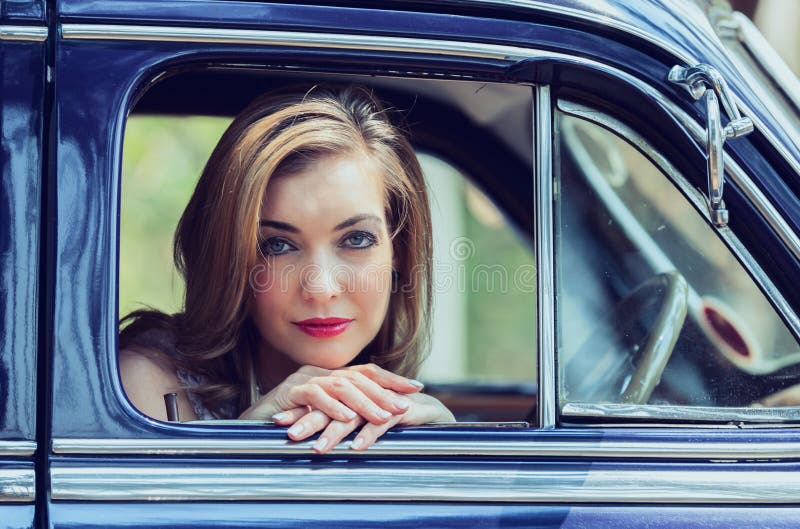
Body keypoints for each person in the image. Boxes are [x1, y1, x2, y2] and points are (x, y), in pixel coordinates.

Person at [119, 84, 454, 453]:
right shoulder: (146, 388)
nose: (321, 287)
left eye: (356, 239)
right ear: (230, 257)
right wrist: (246, 446)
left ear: (399, 251)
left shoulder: (398, 404)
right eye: (277, 245)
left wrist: (446, 451)